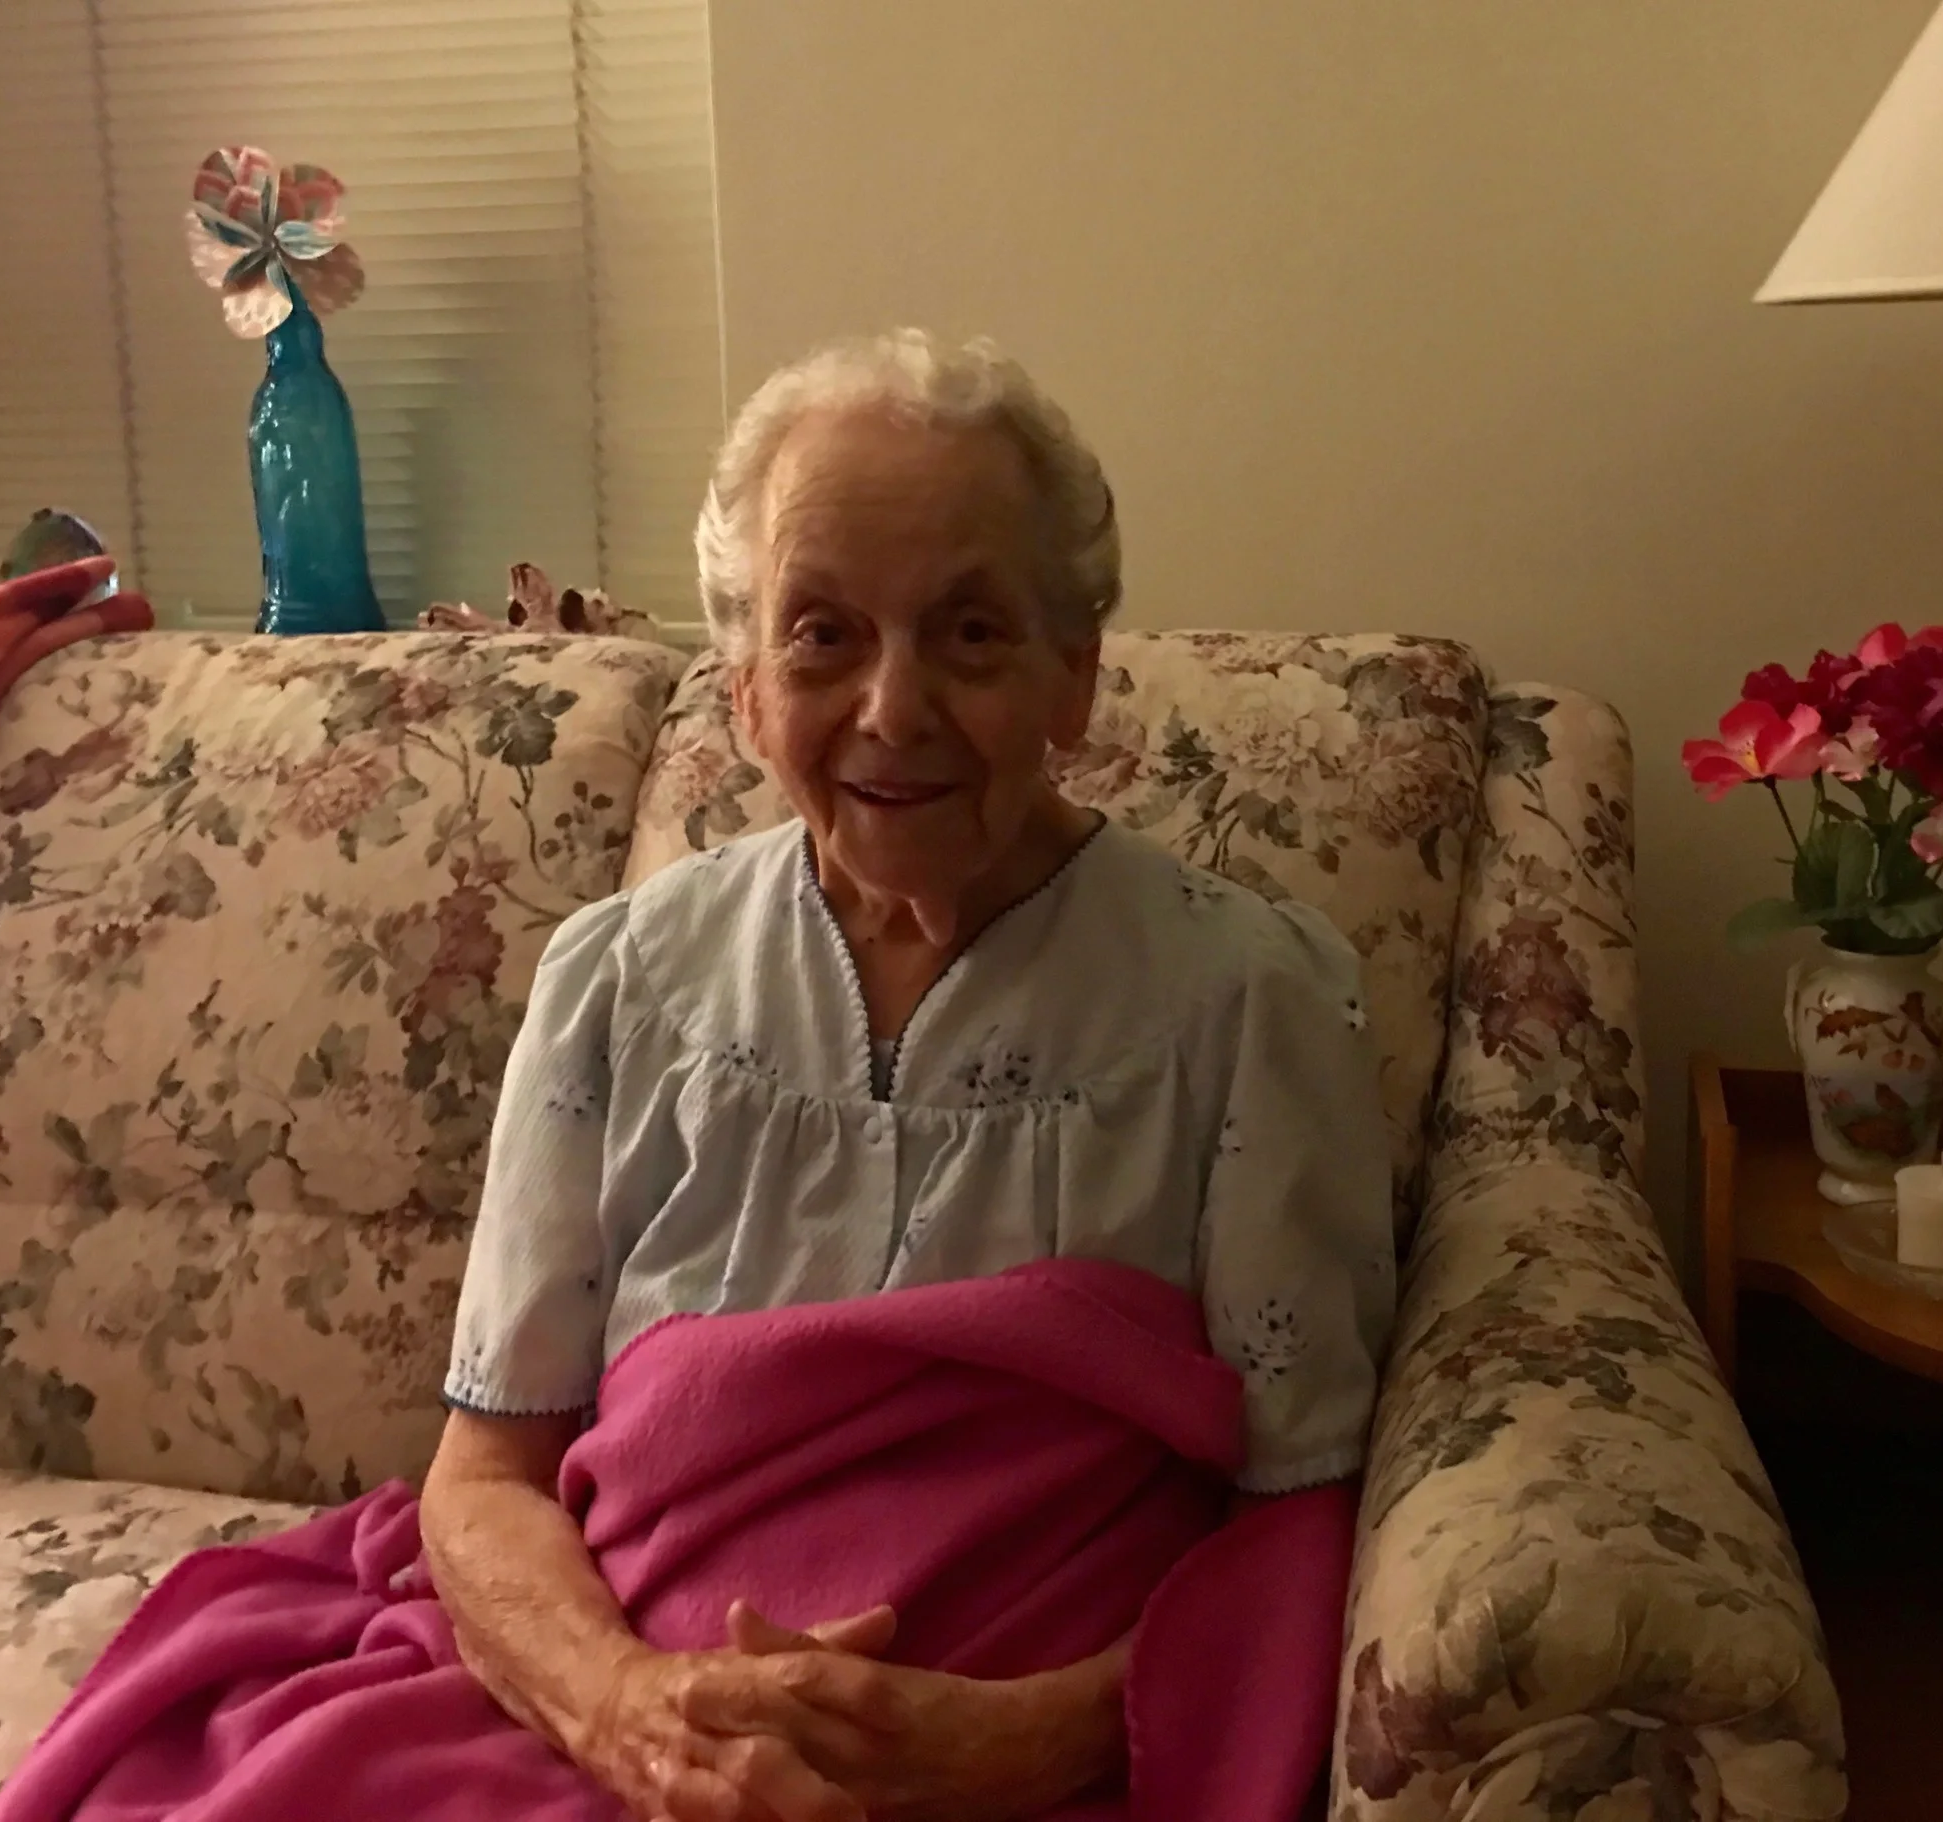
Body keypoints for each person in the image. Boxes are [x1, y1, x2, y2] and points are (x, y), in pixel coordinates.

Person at [416, 330, 1396, 1822]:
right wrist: (631, 1718)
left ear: (1077, 675)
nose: (891, 708)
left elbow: (1303, 1501)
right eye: (822, 634)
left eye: (972, 633)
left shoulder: (1244, 1003)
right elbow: (483, 1477)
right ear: (744, 689)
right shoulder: (616, 983)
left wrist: (1038, 1739)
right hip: (624, 1747)